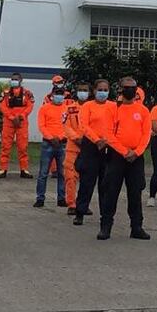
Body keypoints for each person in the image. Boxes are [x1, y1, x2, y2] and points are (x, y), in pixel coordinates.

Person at [97, 76, 151, 240]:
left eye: (133, 88)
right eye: (126, 87)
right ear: (120, 89)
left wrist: (137, 152)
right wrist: (124, 151)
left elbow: (146, 134)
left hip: (136, 157)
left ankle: (137, 227)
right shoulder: (113, 109)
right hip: (117, 157)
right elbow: (108, 134)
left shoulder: (143, 110)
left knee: (135, 193)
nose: (130, 90)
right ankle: (105, 227)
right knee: (110, 192)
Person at [74, 79, 115, 226]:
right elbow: (84, 125)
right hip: (91, 147)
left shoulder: (113, 106)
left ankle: (105, 215)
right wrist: (97, 140)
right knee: (87, 182)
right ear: (94, 91)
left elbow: (116, 125)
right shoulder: (87, 106)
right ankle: (80, 212)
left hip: (108, 146)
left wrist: (107, 140)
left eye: (105, 90)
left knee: (106, 184)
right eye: (100, 90)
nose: (102, 92)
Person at [34, 89, 68, 208]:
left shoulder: (67, 109)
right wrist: (51, 138)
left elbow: (69, 126)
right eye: (56, 94)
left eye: (61, 94)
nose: (59, 96)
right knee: (43, 173)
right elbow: (41, 125)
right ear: (52, 95)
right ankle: (40, 198)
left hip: (62, 144)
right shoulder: (44, 108)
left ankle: (61, 198)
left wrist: (60, 137)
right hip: (47, 143)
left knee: (62, 173)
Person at [0, 72, 35, 179]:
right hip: (9, 122)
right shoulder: (5, 93)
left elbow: (30, 106)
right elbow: (2, 106)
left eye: (16, 79)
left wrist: (21, 116)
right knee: (5, 146)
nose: (14, 81)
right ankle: (3, 169)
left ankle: (24, 169)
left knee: (23, 146)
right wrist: (12, 117)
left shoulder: (27, 93)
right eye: (12, 79)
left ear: (21, 80)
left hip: (22, 122)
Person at [63, 81, 88, 216]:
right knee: (70, 177)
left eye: (85, 90)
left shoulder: (92, 108)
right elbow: (66, 126)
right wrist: (76, 138)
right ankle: (71, 204)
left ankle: (84, 204)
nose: (83, 93)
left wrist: (87, 139)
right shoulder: (69, 108)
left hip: (88, 148)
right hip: (72, 148)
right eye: (81, 90)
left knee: (87, 179)